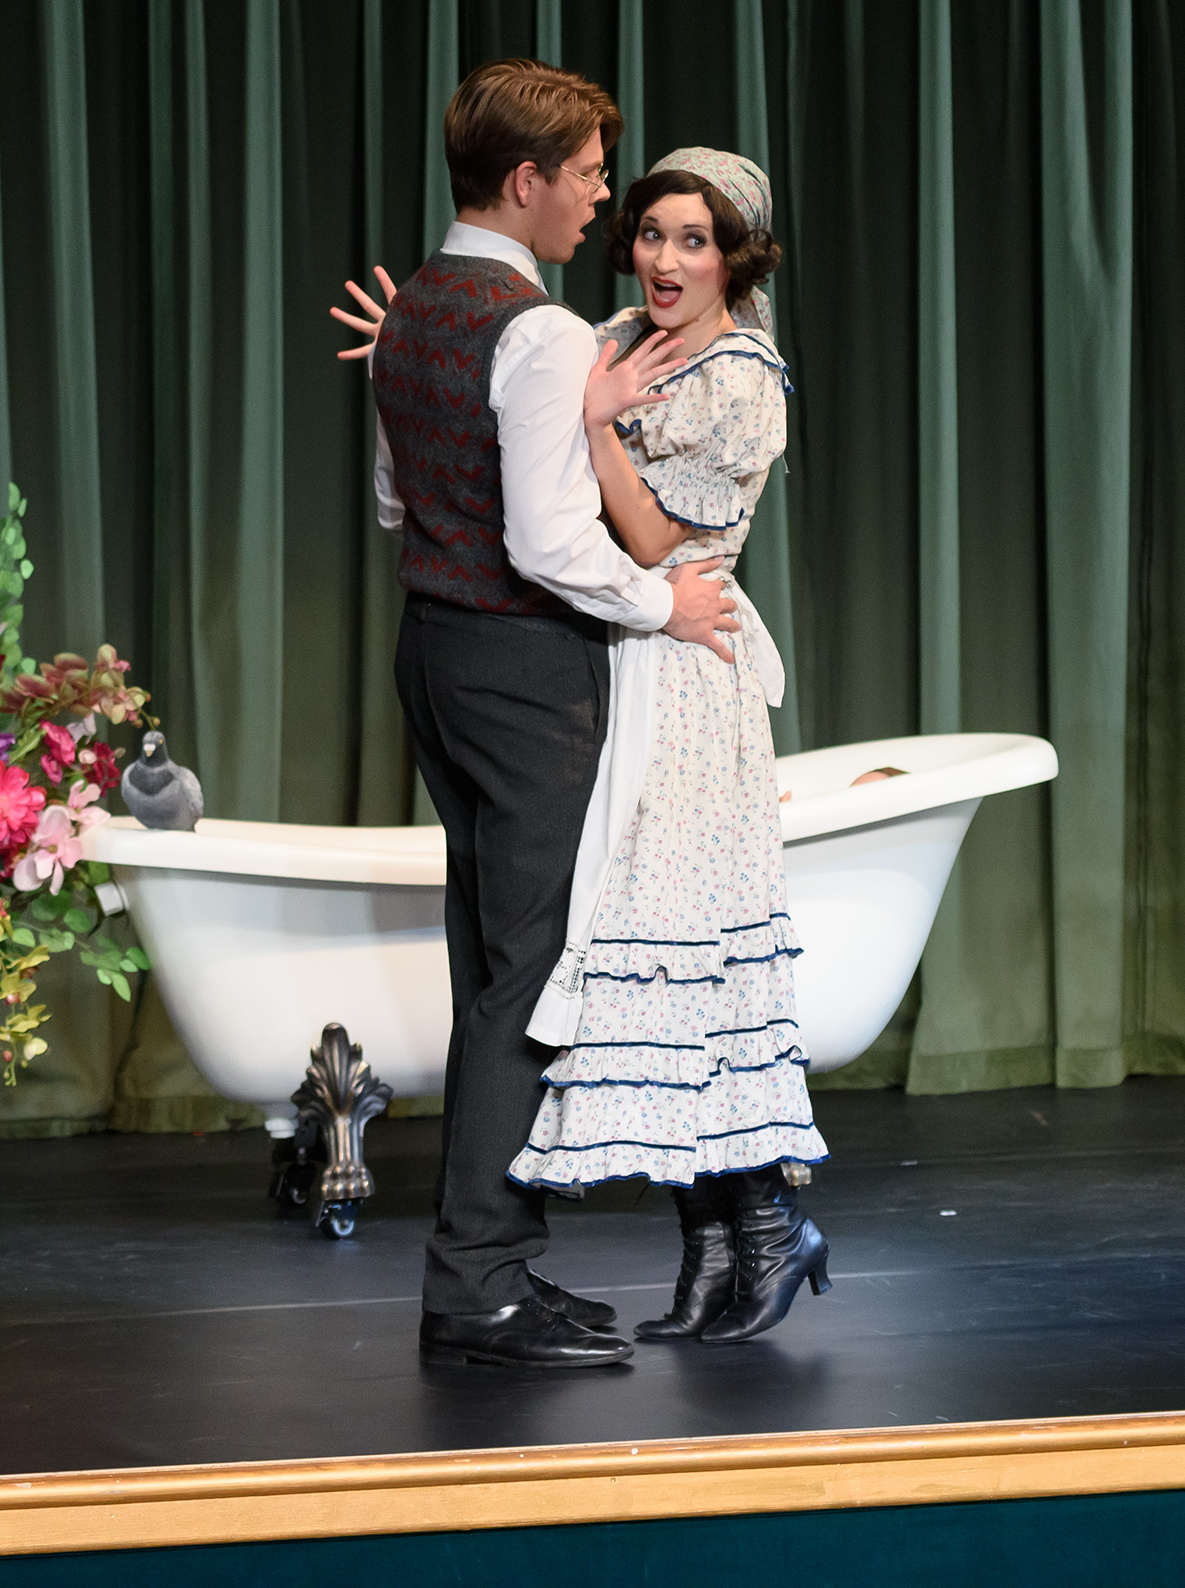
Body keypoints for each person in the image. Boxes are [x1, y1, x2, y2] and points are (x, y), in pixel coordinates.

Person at [338, 146, 829, 1348]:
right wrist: (426, 358)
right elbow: (514, 399)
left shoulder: (743, 378)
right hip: (611, 649)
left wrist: (595, 425)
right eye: (652, 232)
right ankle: (710, 1241)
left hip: (683, 657)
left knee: (680, 954)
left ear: (737, 259)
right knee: (619, 966)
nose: (664, 258)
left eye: (694, 240)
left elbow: (657, 539)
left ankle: (766, 1224)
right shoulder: (609, 331)